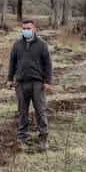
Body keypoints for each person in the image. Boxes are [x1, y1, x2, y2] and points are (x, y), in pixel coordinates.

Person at [7, 19, 53, 149]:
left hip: (37, 83)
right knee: (22, 111)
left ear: (34, 29)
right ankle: (23, 137)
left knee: (40, 110)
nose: (26, 31)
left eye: (28, 28)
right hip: (21, 83)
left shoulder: (42, 44)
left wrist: (48, 81)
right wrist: (10, 79)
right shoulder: (17, 45)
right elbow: (12, 62)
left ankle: (43, 138)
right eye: (24, 28)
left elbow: (48, 64)